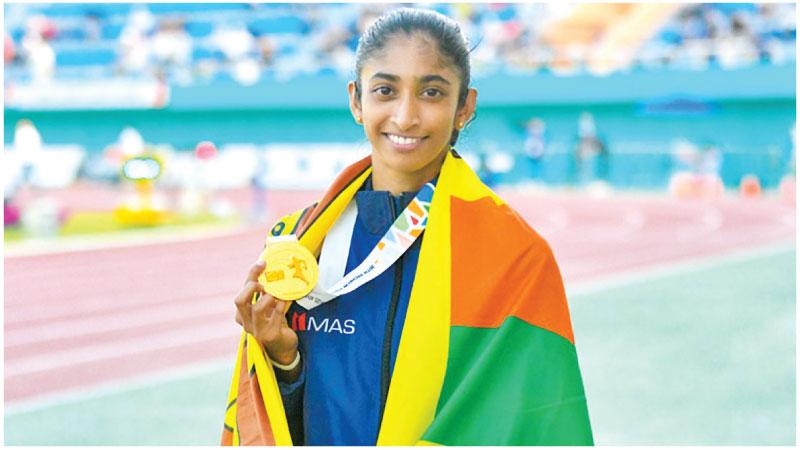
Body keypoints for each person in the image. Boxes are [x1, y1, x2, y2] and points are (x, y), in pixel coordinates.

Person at [223, 8, 592, 446]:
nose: (405, 116)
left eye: (432, 93)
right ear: (357, 101)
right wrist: (283, 360)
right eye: (384, 90)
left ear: (464, 107)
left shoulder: (516, 258)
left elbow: (532, 422)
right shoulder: (301, 244)